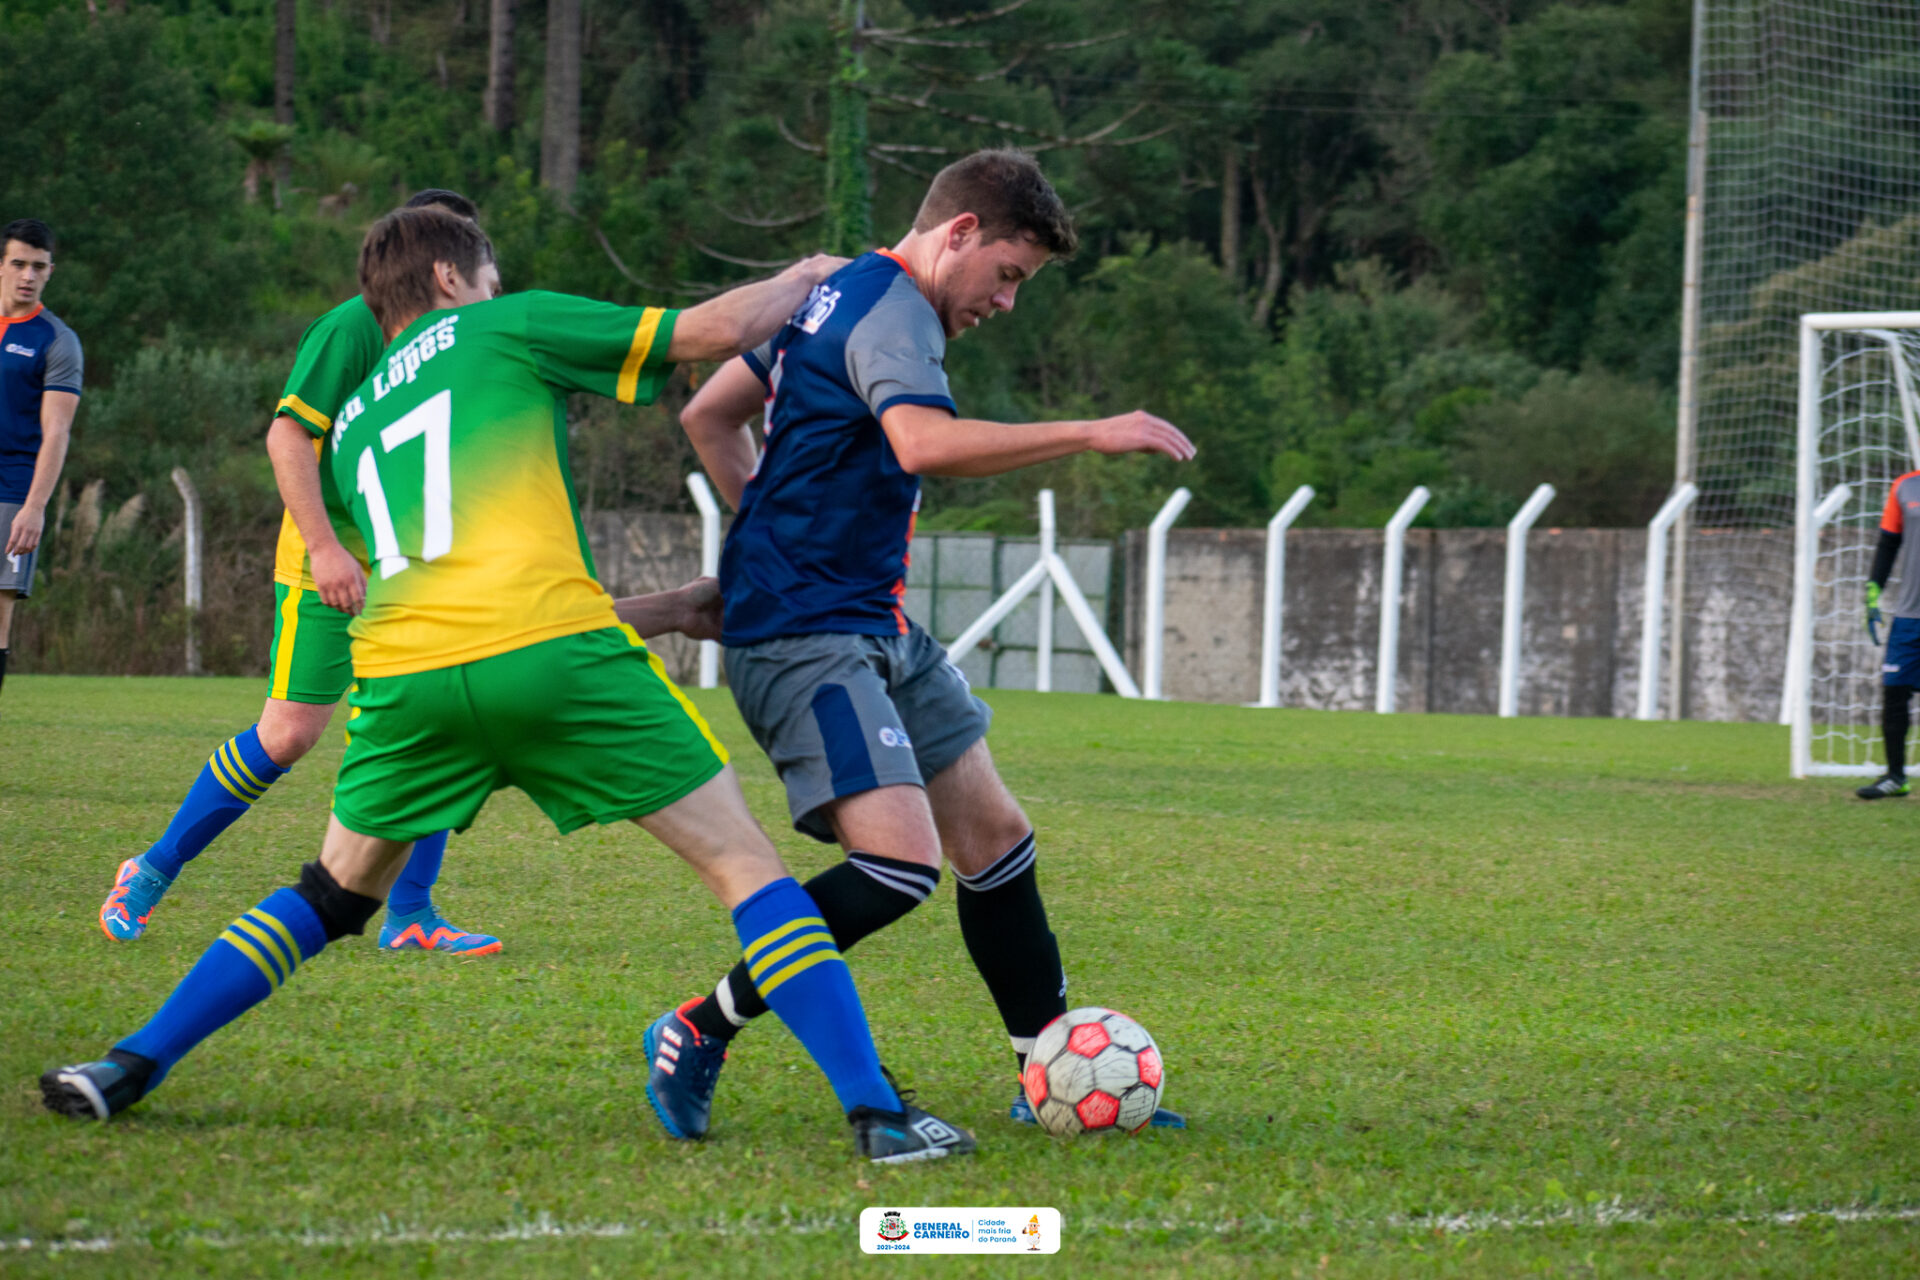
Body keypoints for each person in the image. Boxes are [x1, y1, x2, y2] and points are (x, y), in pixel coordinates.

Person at [43, 205, 974, 1164]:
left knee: (326, 895)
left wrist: (673, 604)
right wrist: (810, 272)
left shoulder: (357, 424)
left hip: (407, 680)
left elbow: (464, 589)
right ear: (452, 280)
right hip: (555, 660)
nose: (494, 287)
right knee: (748, 872)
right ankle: (878, 1116)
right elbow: (711, 333)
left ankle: (128, 1063)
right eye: (487, 274)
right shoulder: (505, 322)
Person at [643, 149, 1192, 1140]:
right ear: (962, 233)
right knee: (899, 866)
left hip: (869, 619)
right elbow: (922, 445)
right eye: (1010, 275)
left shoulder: (836, 291)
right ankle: (698, 1023)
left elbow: (707, 411)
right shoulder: (894, 307)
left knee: (996, 840)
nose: (1007, 302)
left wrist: (770, 535)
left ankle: (1049, 1069)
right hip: (812, 638)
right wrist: (1089, 429)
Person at [100, 191, 500, 953]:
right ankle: (150, 868)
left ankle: (411, 912)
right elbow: (288, 437)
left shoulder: (468, 334)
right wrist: (323, 547)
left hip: (411, 560)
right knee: (286, 736)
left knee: (448, 718)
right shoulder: (351, 326)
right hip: (332, 554)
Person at [0, 218, 82, 698]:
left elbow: (57, 431)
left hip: (11, 493)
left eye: (38, 266)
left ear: (50, 271)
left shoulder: (57, 340)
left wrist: (34, 507)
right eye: (18, 264)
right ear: (1, 265)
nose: (27, 275)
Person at [1857, 467, 1920, 799]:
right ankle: (1896, 776)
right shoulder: (1905, 486)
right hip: (1909, 615)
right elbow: (1888, 543)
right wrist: (1873, 590)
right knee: (1894, 692)